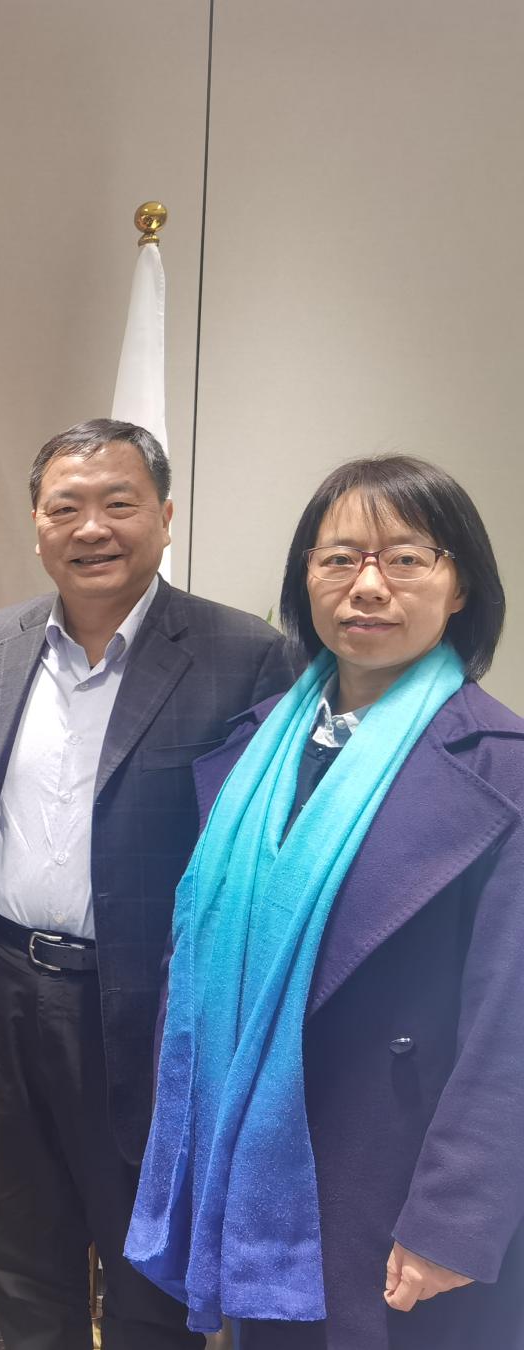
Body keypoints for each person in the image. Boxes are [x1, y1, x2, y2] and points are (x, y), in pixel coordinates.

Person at [127, 455, 524, 1349]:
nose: (367, 587)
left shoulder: (503, 770)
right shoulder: (253, 752)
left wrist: (455, 1221)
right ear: (305, 578)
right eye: (339, 559)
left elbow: (513, 1031)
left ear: (461, 586)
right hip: (258, 1170)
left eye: (406, 559)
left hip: (401, 1191)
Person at [0, 419, 298, 1349]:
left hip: (149, 1010)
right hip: (4, 992)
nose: (91, 528)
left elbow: (264, 857)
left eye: (119, 504)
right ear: (38, 528)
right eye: (66, 508)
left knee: (146, 1270)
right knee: (21, 1252)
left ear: (165, 516)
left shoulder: (245, 655)